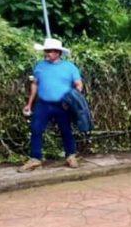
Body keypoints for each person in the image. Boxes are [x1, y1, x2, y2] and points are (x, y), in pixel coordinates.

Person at [18, 37, 83, 172]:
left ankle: (71, 156)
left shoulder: (69, 67)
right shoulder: (40, 66)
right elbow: (35, 84)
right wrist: (29, 104)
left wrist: (70, 101)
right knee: (36, 129)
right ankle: (35, 159)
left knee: (66, 131)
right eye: (46, 50)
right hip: (43, 104)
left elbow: (79, 85)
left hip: (63, 106)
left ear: (58, 52)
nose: (47, 53)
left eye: (50, 51)